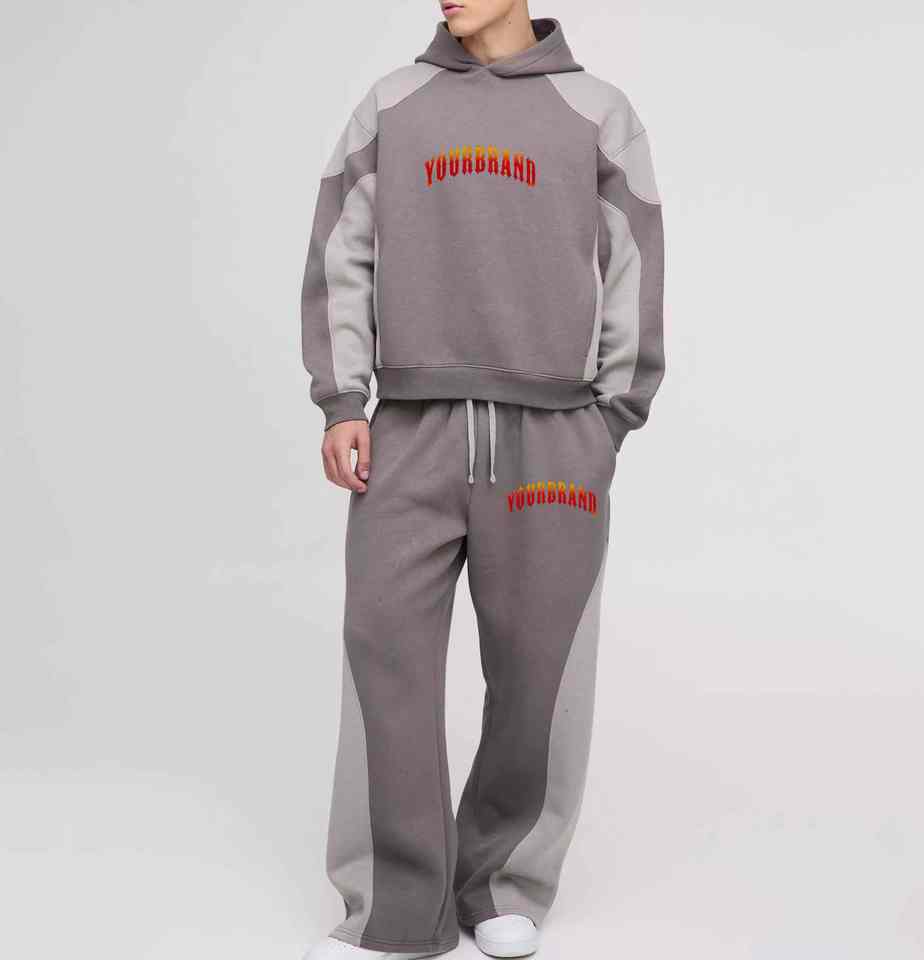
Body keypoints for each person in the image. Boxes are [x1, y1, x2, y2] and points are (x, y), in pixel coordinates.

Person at [300, 1, 664, 956]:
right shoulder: (393, 104)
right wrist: (343, 400)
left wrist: (608, 420)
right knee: (385, 654)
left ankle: (503, 881)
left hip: (555, 436)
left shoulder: (597, 110)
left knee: (539, 671)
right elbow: (343, 251)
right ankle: (398, 896)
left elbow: (633, 262)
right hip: (408, 431)